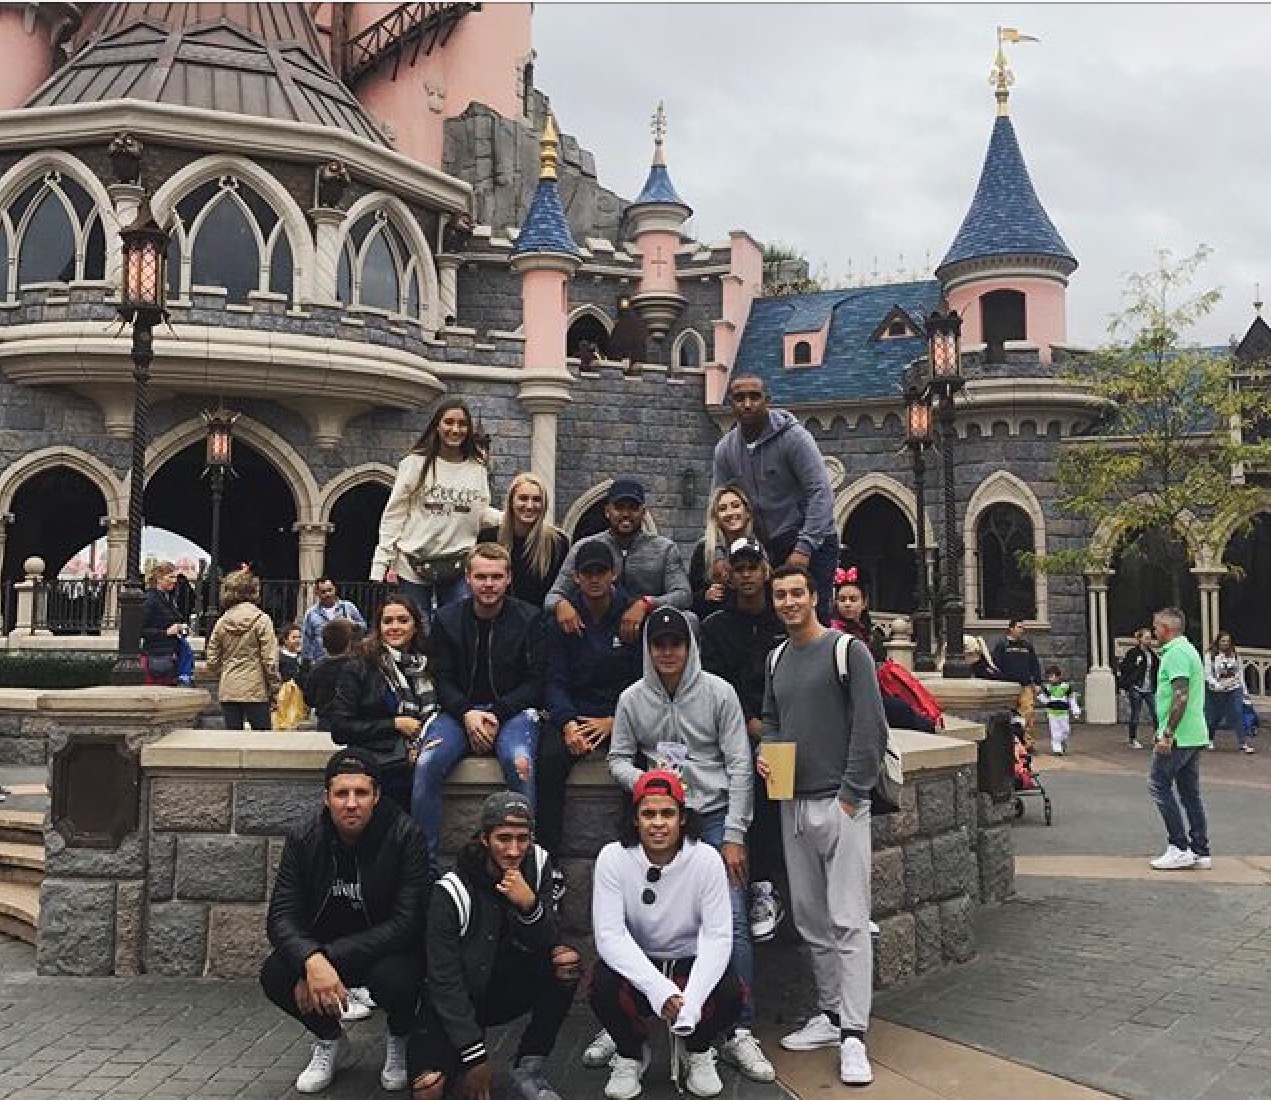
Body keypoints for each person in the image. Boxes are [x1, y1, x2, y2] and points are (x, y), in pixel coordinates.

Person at [607, 605, 773, 1084]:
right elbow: (618, 758)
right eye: (658, 644)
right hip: (661, 815)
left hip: (713, 814)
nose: (668, 653)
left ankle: (738, 1029)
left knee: (732, 918)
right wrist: (648, 784)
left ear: (689, 646)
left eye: (676, 643)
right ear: (648, 649)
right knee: (638, 915)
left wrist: (736, 835)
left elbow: (739, 763)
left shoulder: (719, 693)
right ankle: (628, 1022)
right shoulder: (632, 699)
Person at [758, 565, 887, 1088]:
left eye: (797, 593)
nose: (789, 602)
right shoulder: (776, 658)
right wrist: (769, 752)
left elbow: (871, 726)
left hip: (840, 803)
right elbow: (770, 717)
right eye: (780, 595)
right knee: (812, 918)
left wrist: (851, 796)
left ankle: (854, 1034)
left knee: (849, 920)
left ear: (816, 597)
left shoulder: (847, 652)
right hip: (792, 803)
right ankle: (830, 1015)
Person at [260, 748, 429, 1095]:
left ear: (377, 796)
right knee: (275, 973)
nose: (351, 804)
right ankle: (330, 1039)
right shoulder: (304, 837)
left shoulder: (404, 835)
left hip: (385, 951)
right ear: (327, 798)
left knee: (398, 981)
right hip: (324, 950)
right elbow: (281, 916)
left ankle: (401, 1037)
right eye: (341, 794)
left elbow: (407, 923)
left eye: (361, 793)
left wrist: (323, 959)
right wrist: (309, 959)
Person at [408, 791, 579, 1100]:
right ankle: (456, 1064)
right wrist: (474, 1054)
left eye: (522, 839)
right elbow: (443, 980)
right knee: (429, 1088)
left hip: (508, 985)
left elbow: (549, 940)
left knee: (565, 964)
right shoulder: (450, 891)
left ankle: (529, 1066)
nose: (514, 850)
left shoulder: (539, 863)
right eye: (503, 838)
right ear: (485, 838)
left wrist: (530, 906)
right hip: (460, 997)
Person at [590, 770, 745, 1100]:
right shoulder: (612, 858)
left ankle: (698, 1048)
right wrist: (659, 989)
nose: (658, 823)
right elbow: (609, 935)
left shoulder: (706, 859)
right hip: (640, 960)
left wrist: (692, 1002)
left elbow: (718, 937)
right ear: (635, 819)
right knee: (600, 986)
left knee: (732, 992)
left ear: (682, 818)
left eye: (667, 813)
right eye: (648, 814)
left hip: (688, 960)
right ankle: (631, 1052)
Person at [414, 543, 544, 875]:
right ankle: (423, 870)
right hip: (459, 712)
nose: (489, 584)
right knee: (427, 764)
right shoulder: (446, 619)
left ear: (508, 579)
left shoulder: (530, 618)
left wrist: (497, 714)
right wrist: (467, 713)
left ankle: (526, 869)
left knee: (521, 764)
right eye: (482, 577)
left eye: (496, 577)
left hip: (513, 712)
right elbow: (441, 678)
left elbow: (535, 682)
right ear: (468, 579)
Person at [539, 540, 642, 892]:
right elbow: (554, 680)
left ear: (613, 575)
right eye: (588, 573)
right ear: (577, 577)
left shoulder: (631, 616)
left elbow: (641, 681)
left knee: (639, 766)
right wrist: (568, 723)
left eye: (601, 572)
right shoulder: (562, 619)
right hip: (575, 713)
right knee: (548, 761)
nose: (595, 579)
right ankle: (549, 862)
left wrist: (616, 721)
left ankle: (636, 855)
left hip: (621, 714)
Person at [699, 536, 787, 944]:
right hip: (734, 731)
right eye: (740, 568)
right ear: (729, 576)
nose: (747, 574)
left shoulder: (784, 620)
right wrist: (750, 722)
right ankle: (763, 885)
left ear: (765, 571)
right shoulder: (715, 627)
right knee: (759, 774)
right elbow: (717, 686)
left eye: (754, 566)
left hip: (784, 727)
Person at [711, 375, 838, 623]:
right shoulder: (725, 449)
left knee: (811, 617)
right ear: (731, 404)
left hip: (812, 540)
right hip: (766, 546)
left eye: (754, 397)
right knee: (771, 620)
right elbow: (717, 505)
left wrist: (804, 548)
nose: (747, 404)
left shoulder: (795, 438)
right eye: (739, 398)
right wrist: (718, 553)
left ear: (767, 400)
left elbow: (820, 493)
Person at [370, 399, 502, 615]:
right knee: (417, 625)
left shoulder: (477, 467)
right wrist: (380, 563)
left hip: (458, 563)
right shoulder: (415, 463)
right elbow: (395, 514)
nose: (455, 429)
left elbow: (480, 512)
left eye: (462, 424)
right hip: (413, 563)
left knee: (457, 625)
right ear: (437, 426)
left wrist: (511, 517)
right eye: (449, 422)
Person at [545, 479, 692, 645]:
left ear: (643, 512)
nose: (626, 514)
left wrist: (647, 604)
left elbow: (683, 595)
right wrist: (561, 604)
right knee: (551, 621)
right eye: (619, 507)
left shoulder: (665, 549)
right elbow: (552, 596)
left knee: (689, 618)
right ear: (607, 511)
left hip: (648, 628)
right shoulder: (584, 547)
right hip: (595, 627)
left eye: (633, 508)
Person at [329, 598, 436, 813]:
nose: (395, 627)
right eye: (388, 621)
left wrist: (421, 744)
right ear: (379, 627)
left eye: (403, 620)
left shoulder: (428, 665)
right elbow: (340, 728)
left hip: (420, 765)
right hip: (378, 771)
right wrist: (394, 724)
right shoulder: (359, 666)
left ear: (415, 626)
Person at [1147, 607, 1212, 871]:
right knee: (1189, 792)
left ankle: (1179, 847)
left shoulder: (1175, 654)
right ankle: (1200, 849)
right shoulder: (1188, 650)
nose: (1154, 632)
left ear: (1166, 629)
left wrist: (1167, 734)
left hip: (1179, 736)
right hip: (1194, 733)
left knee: (1158, 785)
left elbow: (1180, 696)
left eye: (1156, 627)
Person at [205, 569, 280, 731]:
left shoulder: (222, 622)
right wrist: (275, 688)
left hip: (229, 687)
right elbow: (270, 661)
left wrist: (224, 672)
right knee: (262, 736)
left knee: (233, 737)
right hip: (256, 688)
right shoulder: (262, 620)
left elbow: (211, 659)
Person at [495, 472, 571, 608]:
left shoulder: (558, 543)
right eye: (523, 498)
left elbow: (561, 590)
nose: (530, 506)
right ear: (511, 502)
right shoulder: (489, 537)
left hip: (540, 616)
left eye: (536, 499)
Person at [688, 484, 757, 621]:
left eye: (735, 506)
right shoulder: (704, 549)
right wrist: (705, 595)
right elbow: (690, 596)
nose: (730, 513)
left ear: (747, 512)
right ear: (716, 517)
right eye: (722, 509)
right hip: (714, 618)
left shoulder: (759, 546)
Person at [141, 560, 193, 686]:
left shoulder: (168, 598)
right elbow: (140, 630)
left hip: (170, 653)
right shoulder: (150, 600)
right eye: (170, 577)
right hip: (157, 655)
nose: (174, 581)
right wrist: (166, 632)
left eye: (175, 577)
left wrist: (181, 627)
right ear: (159, 579)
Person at [991, 620, 1044, 745]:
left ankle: (1027, 743)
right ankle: (1010, 742)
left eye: (1023, 627)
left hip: (1025, 685)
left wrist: (1037, 682)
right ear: (1011, 628)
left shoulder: (1027, 646)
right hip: (1008, 685)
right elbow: (995, 665)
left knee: (1028, 713)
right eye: (1019, 627)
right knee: (1008, 715)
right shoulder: (1002, 645)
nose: (1022, 630)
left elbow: (1034, 665)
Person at [304, 618, 361, 733]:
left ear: (324, 644)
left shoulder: (317, 669)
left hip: (325, 724)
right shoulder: (358, 667)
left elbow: (309, 699)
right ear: (350, 642)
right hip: (352, 724)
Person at [300, 579, 367, 664]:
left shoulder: (348, 607)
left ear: (335, 589)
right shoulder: (311, 613)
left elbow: (363, 628)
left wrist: (352, 624)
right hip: (321, 661)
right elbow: (307, 639)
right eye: (323, 592)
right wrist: (306, 661)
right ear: (317, 593)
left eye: (330, 590)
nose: (328, 594)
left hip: (347, 660)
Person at [1205, 631, 1251, 752]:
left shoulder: (1235, 655)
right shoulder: (1210, 655)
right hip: (1217, 690)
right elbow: (1207, 675)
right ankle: (1209, 739)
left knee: (1238, 712)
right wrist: (1218, 685)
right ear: (1218, 642)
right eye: (1223, 641)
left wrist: (1245, 692)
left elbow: (1240, 674)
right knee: (1215, 716)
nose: (1225, 643)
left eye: (1228, 641)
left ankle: (1243, 742)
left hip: (1234, 688)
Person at [1117, 628, 1160, 750]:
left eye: (1150, 638)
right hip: (1137, 687)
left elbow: (1156, 668)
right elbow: (1125, 668)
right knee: (1135, 714)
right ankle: (1133, 738)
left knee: (1156, 713)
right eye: (1146, 638)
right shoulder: (1133, 653)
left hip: (1149, 688)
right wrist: (1130, 681)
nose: (1149, 640)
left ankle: (1158, 737)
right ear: (1140, 639)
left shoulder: (1152, 654)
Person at [1038, 664, 1081, 756]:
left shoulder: (1066, 687)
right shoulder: (1048, 688)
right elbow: (1045, 699)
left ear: (1058, 676)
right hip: (1052, 713)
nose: (1052, 679)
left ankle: (1063, 742)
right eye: (1049, 677)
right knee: (1055, 731)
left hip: (1063, 713)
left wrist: (1075, 711)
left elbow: (1071, 699)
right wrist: (1040, 696)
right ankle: (1057, 749)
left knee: (1066, 730)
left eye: (1053, 676)